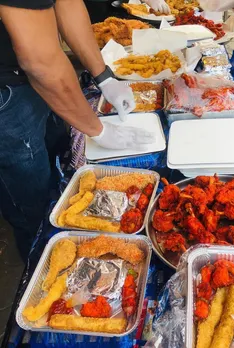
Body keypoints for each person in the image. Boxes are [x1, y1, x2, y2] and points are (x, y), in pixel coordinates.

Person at [0, 0, 155, 260]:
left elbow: (67, 3)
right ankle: (41, 263)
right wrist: (98, 130)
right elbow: (40, 61)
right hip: (7, 93)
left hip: (25, 76)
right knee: (34, 205)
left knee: (59, 170)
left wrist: (104, 76)